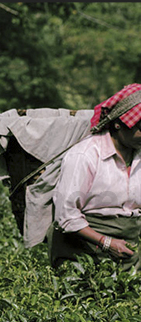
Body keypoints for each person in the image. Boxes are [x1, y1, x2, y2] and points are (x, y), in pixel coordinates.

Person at [48, 83, 141, 272]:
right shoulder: (85, 156)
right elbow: (66, 216)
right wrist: (106, 242)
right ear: (118, 124)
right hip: (84, 248)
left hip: (130, 249)